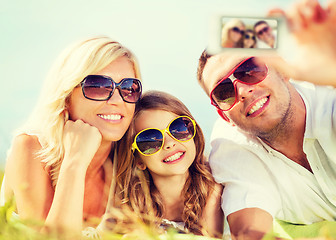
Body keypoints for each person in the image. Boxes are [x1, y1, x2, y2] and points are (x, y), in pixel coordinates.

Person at [196, 0, 336, 239]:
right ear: (223, 115)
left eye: (249, 69)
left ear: (280, 68)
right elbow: (250, 232)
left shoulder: (328, 96)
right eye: (224, 92)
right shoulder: (232, 146)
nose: (242, 91)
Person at [0, 36, 142, 236]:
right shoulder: (31, 146)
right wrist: (75, 161)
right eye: (98, 86)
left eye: (129, 88)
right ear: (66, 96)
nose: (118, 100)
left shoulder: (129, 159)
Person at [100, 91, 224, 238]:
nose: (169, 143)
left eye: (178, 128)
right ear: (138, 160)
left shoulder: (211, 188)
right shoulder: (130, 199)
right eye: (150, 141)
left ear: (193, 133)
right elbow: (103, 234)